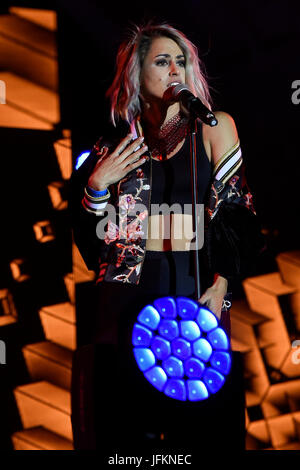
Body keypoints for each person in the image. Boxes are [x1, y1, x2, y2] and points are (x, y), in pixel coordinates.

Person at [69, 22, 263, 453]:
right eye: (162, 61)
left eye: (181, 61)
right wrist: (97, 186)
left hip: (198, 292)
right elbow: (93, 240)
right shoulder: (114, 146)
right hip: (129, 296)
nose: (174, 69)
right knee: (131, 435)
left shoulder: (214, 127)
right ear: (137, 74)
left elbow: (238, 215)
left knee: (202, 429)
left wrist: (222, 287)